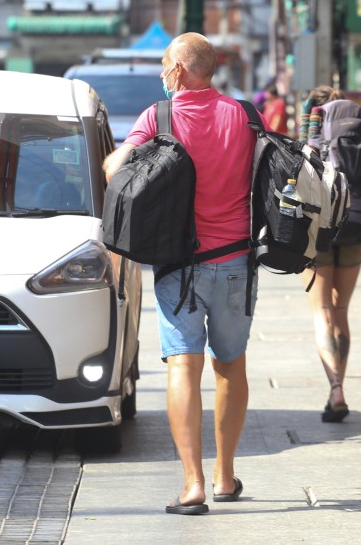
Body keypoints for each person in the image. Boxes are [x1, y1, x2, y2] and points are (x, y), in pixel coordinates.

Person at [103, 32, 257, 516]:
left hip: (178, 265)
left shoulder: (158, 117)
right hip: (236, 263)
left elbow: (115, 170)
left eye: (165, 64)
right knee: (230, 365)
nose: (161, 73)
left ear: (180, 70)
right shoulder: (246, 116)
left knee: (183, 367)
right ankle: (225, 475)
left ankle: (193, 485)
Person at [299, 85, 361, 423]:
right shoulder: (358, 133)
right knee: (341, 310)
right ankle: (339, 386)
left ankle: (335, 387)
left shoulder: (311, 135)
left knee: (322, 310)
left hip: (316, 232)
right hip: (355, 225)